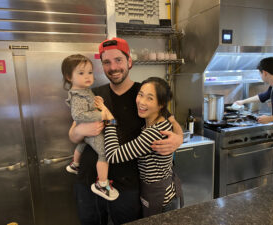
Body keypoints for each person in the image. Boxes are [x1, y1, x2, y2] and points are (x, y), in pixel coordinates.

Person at [69, 37, 183, 225]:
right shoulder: (93, 94)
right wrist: (82, 129)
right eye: (107, 62)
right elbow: (73, 136)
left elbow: (171, 121)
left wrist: (178, 138)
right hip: (89, 180)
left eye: (118, 60)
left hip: (127, 185)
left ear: (129, 61)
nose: (113, 67)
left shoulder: (144, 94)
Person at [96, 77, 183, 217]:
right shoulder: (164, 120)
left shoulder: (153, 133)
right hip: (162, 192)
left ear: (161, 104)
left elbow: (113, 155)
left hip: (162, 198)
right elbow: (171, 116)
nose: (141, 102)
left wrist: (110, 120)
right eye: (140, 95)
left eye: (150, 98)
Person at [61, 54, 119, 201]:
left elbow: (89, 104)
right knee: (104, 152)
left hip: (87, 132)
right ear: (69, 77)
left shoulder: (85, 90)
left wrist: (96, 100)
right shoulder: (78, 95)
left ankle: (75, 165)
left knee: (81, 144)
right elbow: (78, 115)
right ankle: (102, 184)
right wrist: (101, 115)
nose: (87, 76)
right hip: (91, 132)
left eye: (90, 72)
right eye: (81, 73)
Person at [235, 57, 273, 172]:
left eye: (260, 73)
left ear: (265, 72)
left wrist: (269, 119)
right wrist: (242, 101)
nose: (260, 76)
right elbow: (263, 96)